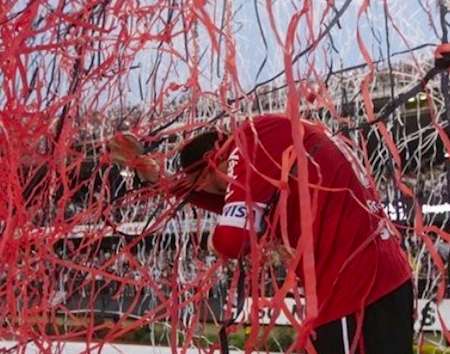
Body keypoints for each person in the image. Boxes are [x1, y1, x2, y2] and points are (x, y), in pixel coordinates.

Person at [109, 114, 413, 354]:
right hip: (382, 281)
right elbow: (223, 199)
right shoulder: (275, 144)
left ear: (214, 160)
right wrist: (153, 174)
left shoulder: (248, 142)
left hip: (356, 293)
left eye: (199, 181)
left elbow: (231, 239)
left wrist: (220, 243)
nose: (200, 191)